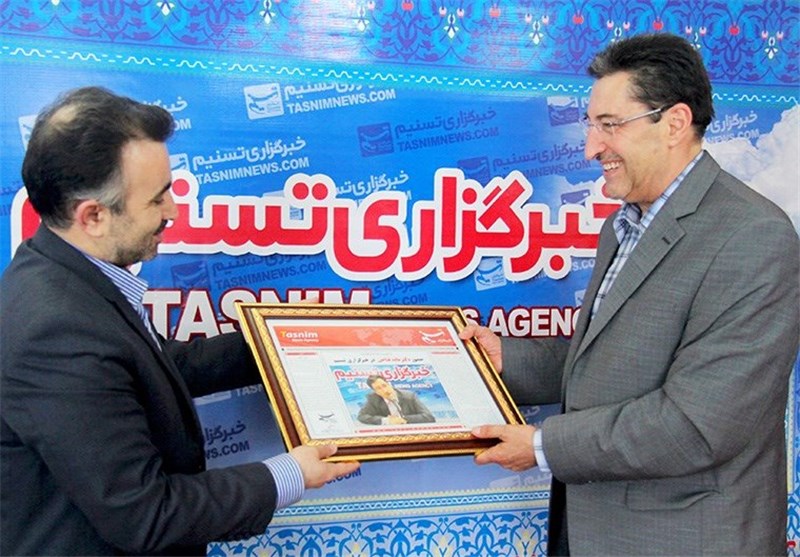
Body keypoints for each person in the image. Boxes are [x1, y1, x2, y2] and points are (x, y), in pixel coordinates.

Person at [462, 33, 800, 555]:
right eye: (590, 125)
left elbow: (696, 425)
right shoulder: (623, 225)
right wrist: (505, 359)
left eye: (610, 125)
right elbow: (611, 360)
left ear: (675, 123)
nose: (591, 147)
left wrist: (542, 445)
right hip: (592, 529)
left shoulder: (753, 236)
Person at [0, 86, 360, 556]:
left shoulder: (61, 273)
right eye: (157, 199)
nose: (173, 211)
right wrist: (291, 473)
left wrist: (287, 340)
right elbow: (146, 514)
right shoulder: (55, 331)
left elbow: (155, 367)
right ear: (93, 216)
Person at [357, 374, 435, 425]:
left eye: (384, 385)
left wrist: (402, 419)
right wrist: (387, 420)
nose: (385, 390)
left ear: (389, 384)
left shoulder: (409, 396)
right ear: (375, 392)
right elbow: (362, 416)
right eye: (378, 388)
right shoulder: (373, 399)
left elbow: (429, 417)